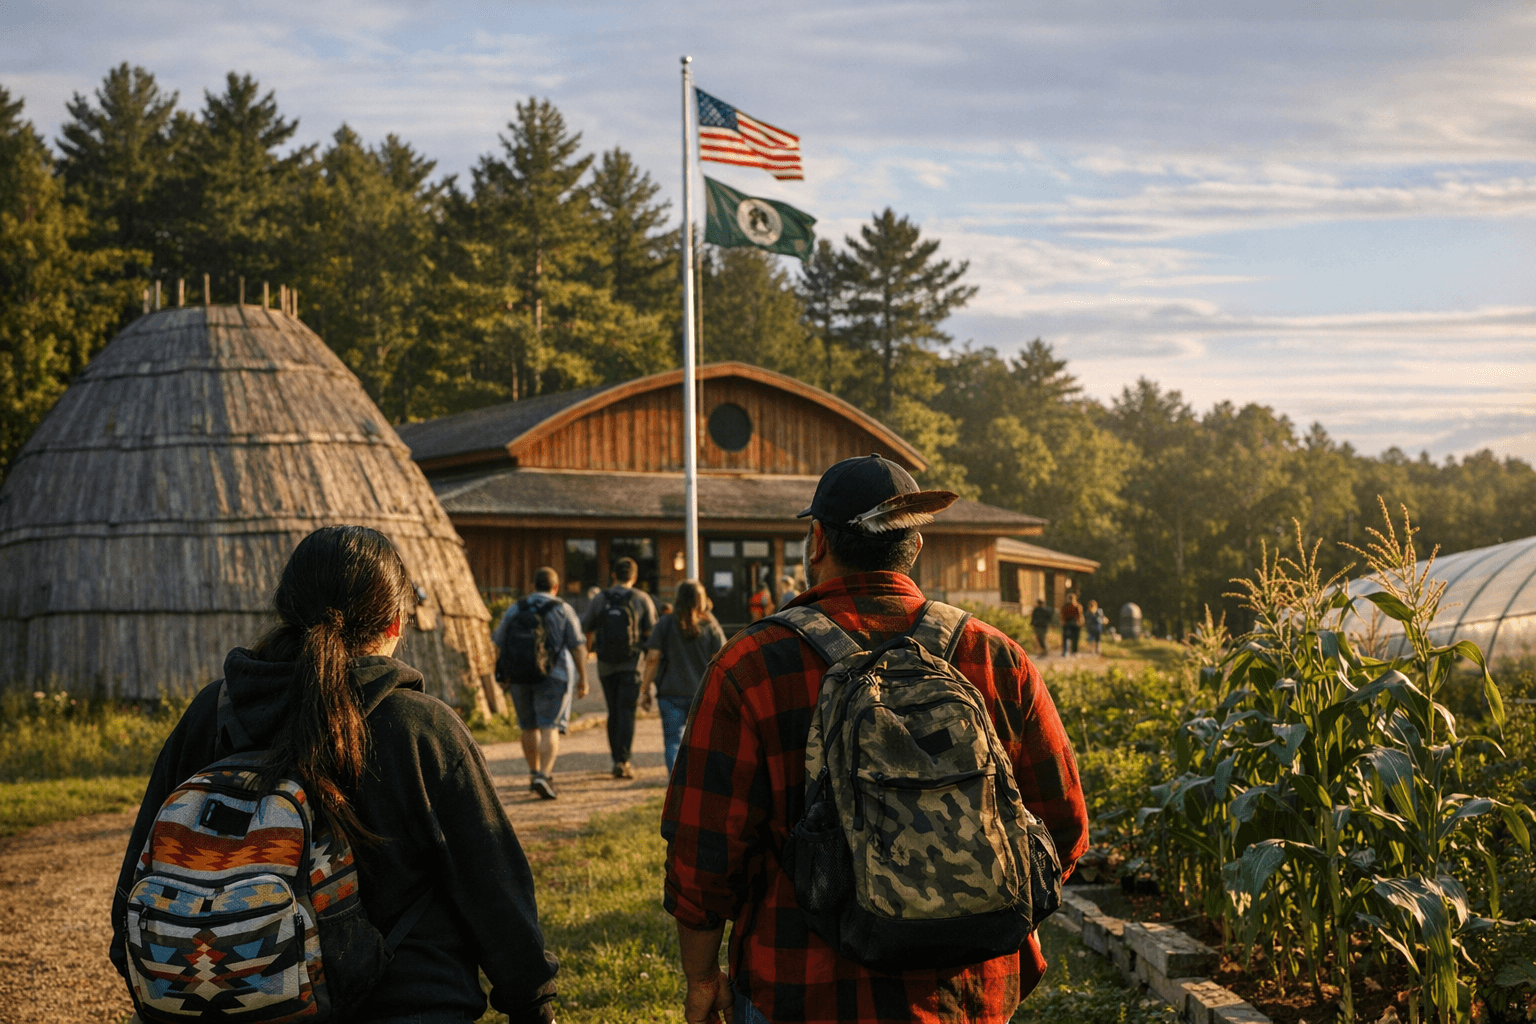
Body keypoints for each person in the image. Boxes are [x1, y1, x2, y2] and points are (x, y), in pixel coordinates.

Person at [661, 455, 1089, 1024]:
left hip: (800, 991)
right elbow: (1063, 825)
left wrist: (701, 977)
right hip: (965, 997)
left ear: (816, 542)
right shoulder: (993, 656)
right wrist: (963, 916)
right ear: (913, 549)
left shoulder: (750, 665)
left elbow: (702, 853)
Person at [109, 525, 559, 1023]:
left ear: (285, 608)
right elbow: (494, 891)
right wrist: (531, 1000)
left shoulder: (212, 714)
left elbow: (137, 882)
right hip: (407, 1005)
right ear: (395, 621)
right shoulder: (420, 729)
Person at [492, 566, 589, 800]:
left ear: (533, 586)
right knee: (549, 727)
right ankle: (543, 776)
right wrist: (583, 678)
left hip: (519, 676)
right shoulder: (563, 609)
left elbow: (498, 641)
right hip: (554, 676)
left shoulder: (517, 607)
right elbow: (577, 646)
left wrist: (503, 675)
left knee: (528, 726)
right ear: (555, 587)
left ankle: (533, 772)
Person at [639, 580, 727, 773]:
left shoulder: (665, 623)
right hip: (703, 693)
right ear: (701, 599)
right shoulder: (710, 624)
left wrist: (644, 689)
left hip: (670, 693)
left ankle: (675, 784)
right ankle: (700, 783)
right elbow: (721, 659)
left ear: (677, 598)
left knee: (673, 741)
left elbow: (653, 658)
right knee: (703, 743)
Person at [582, 557, 657, 779]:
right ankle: (623, 761)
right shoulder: (642, 599)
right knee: (627, 713)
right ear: (634, 577)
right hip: (632, 665)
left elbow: (587, 627)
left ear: (613, 575)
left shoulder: (600, 599)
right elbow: (651, 634)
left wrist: (587, 656)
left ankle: (616, 758)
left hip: (605, 665)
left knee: (613, 712)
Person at [1060, 591, 1083, 657]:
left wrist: (1063, 621)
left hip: (1070, 623)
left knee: (1068, 638)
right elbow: (1080, 615)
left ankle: (1068, 651)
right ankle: (1071, 651)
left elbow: (1062, 614)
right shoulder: (1077, 605)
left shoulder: (1066, 606)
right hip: (1072, 623)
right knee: (1072, 638)